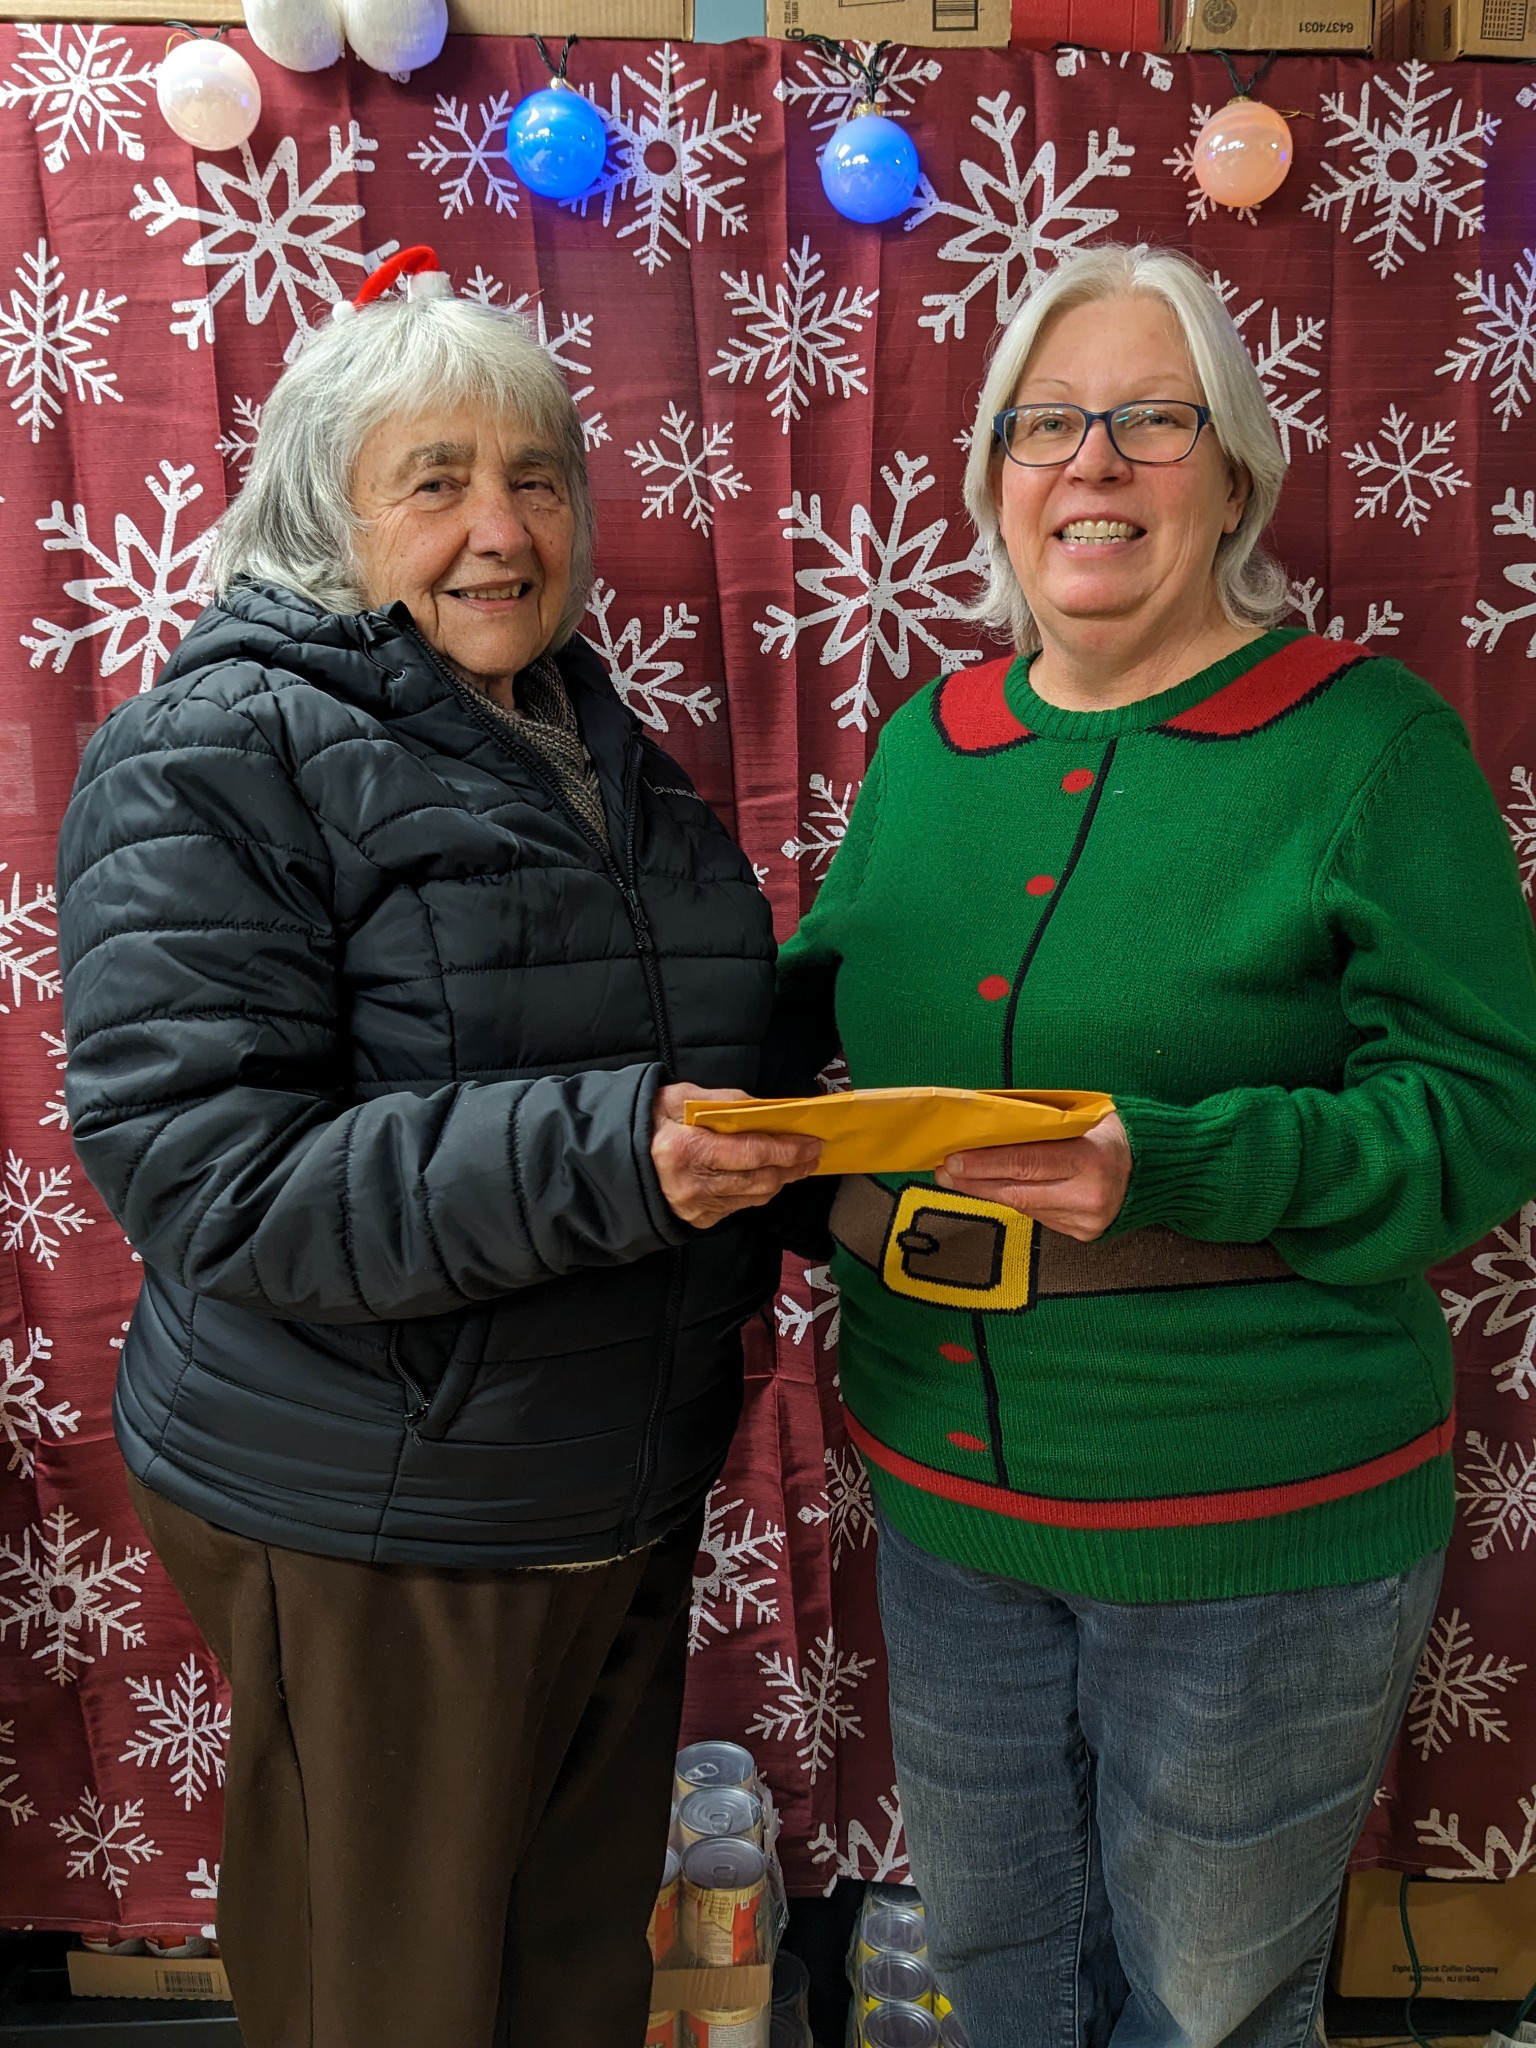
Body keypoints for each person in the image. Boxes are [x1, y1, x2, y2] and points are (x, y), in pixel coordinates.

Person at [772, 243, 1536, 2048]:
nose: (1092, 463)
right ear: (989, 482)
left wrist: (1174, 1162)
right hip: (951, 1499)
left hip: (1256, 1524)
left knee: (1206, 2008)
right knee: (1007, 1975)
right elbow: (822, 1022)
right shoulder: (927, 745)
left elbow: (1485, 1118)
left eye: (1151, 421)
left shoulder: (1366, 748)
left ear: (1238, 475)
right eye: (1045, 425)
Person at [56, 250, 818, 2048]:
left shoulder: (585, 736)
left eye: (537, 476)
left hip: (604, 1486)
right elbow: (211, 1170)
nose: (501, 527)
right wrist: (622, 1158)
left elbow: (682, 1051)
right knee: (385, 2002)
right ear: (329, 511)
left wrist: (855, 1141)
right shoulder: (213, 754)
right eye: (437, 480)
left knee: (564, 1984)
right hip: (379, 1508)